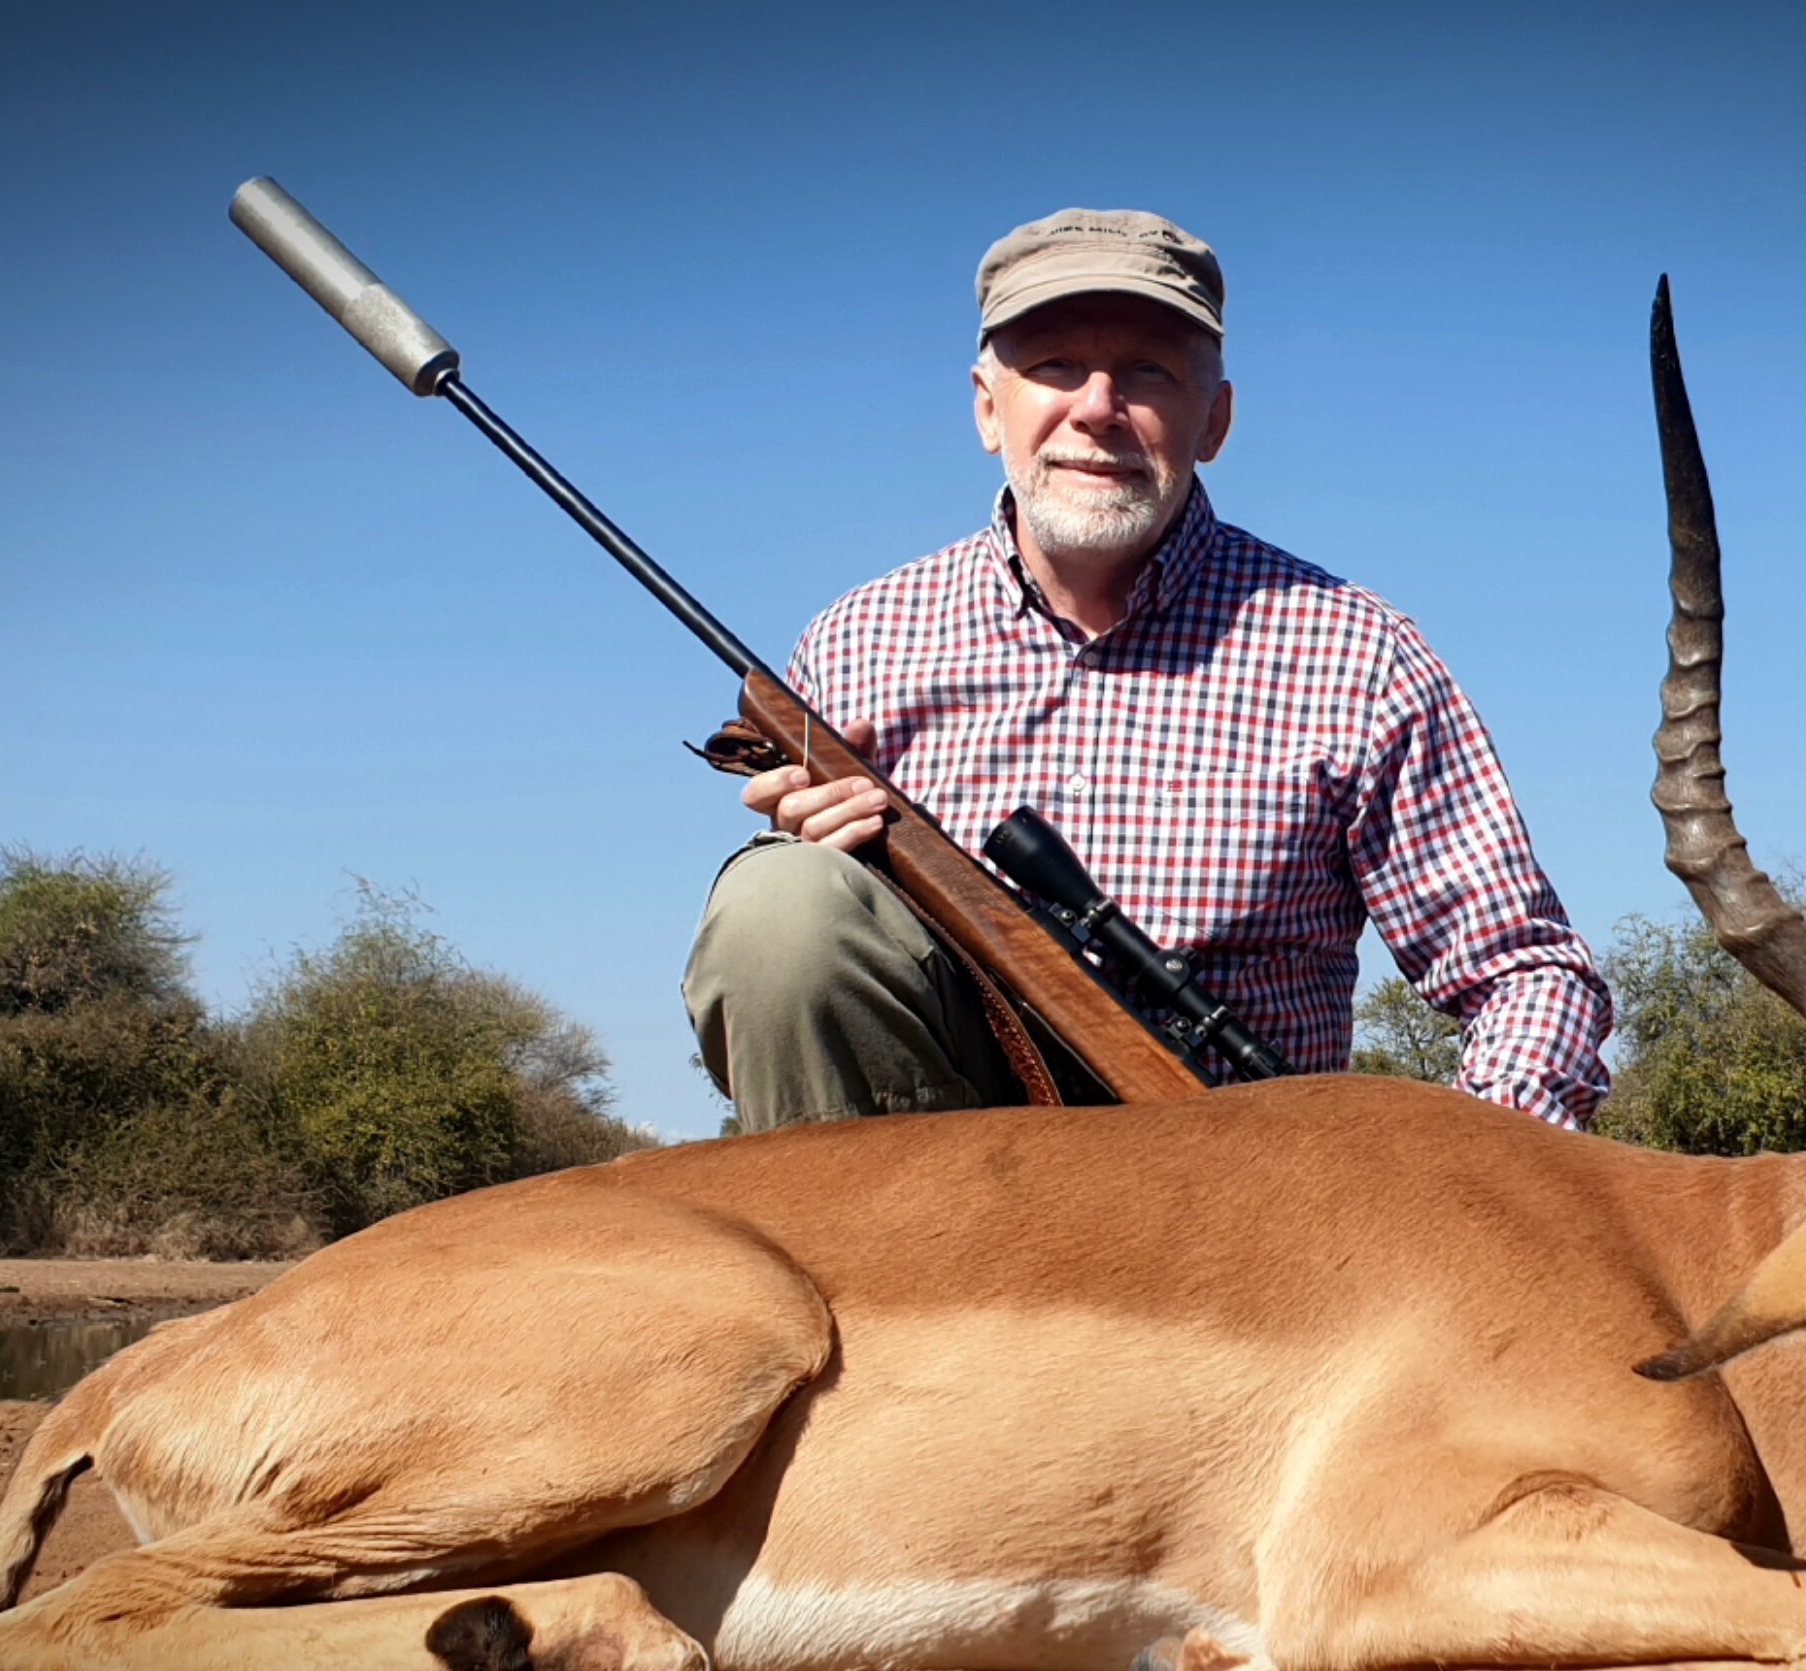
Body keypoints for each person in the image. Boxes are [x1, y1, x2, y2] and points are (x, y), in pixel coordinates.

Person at [683, 208, 1613, 1133]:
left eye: (1148, 373)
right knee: (783, 910)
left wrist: (1452, 1204)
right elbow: (810, 996)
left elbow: (1526, 975)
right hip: (939, 1196)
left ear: (1214, 419)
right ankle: (878, 1276)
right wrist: (826, 881)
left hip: (1241, 1201)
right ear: (984, 405)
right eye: (1052, 365)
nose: (1096, 407)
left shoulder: (1359, 654)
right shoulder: (857, 643)